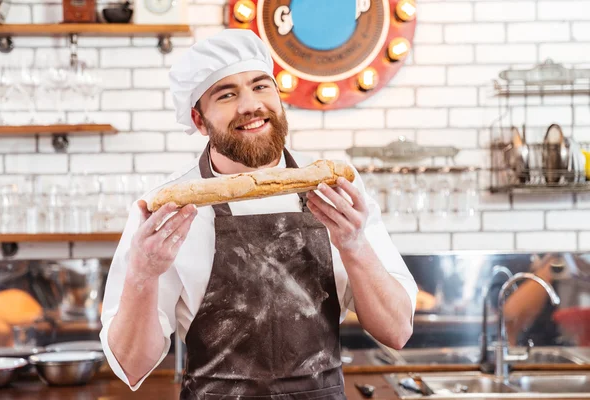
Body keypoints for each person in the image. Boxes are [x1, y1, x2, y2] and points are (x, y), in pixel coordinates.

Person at [99, 29, 418, 399]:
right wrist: (142, 274)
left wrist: (355, 245)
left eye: (261, 86)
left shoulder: (336, 192)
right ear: (199, 121)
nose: (251, 105)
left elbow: (396, 332)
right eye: (227, 94)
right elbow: (131, 367)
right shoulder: (163, 211)